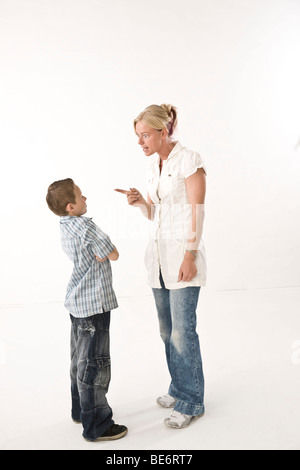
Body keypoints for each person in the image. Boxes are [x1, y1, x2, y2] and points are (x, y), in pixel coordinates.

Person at [115, 104, 207, 429]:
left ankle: (192, 400)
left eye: (144, 135)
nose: (140, 142)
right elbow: (160, 213)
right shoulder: (154, 167)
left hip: (182, 258)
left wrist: (190, 255)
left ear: (162, 131)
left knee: (183, 333)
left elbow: (196, 211)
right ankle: (179, 388)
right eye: (137, 137)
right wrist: (143, 203)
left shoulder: (189, 160)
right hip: (157, 260)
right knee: (167, 332)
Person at [46, 178, 127, 442]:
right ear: (71, 206)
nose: (86, 198)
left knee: (79, 361)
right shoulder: (86, 227)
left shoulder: (65, 225)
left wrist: (99, 251)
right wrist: (105, 251)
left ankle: (81, 410)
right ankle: (97, 425)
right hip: (94, 305)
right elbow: (113, 253)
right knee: (95, 365)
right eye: (81, 197)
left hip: (77, 303)